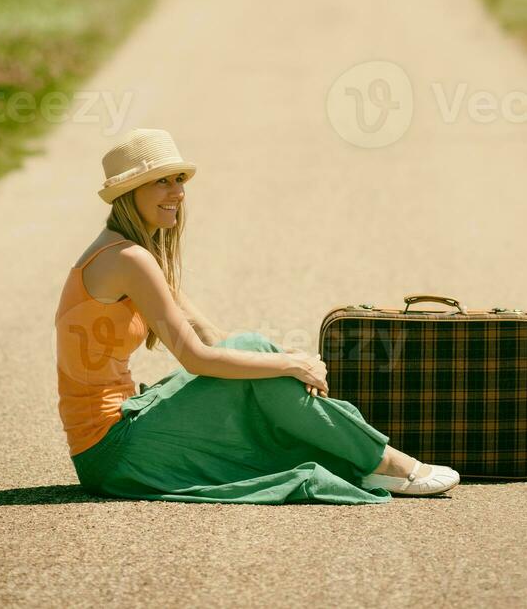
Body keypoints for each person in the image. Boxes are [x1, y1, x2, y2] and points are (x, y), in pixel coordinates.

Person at [54, 127, 460, 504]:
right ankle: (384, 463)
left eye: (179, 179)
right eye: (162, 180)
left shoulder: (129, 251)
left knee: (255, 353)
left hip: (122, 430)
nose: (177, 191)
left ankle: (375, 459)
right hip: (112, 448)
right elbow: (195, 357)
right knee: (260, 359)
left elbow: (212, 335)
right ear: (130, 192)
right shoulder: (127, 259)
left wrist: (283, 363)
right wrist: (288, 363)